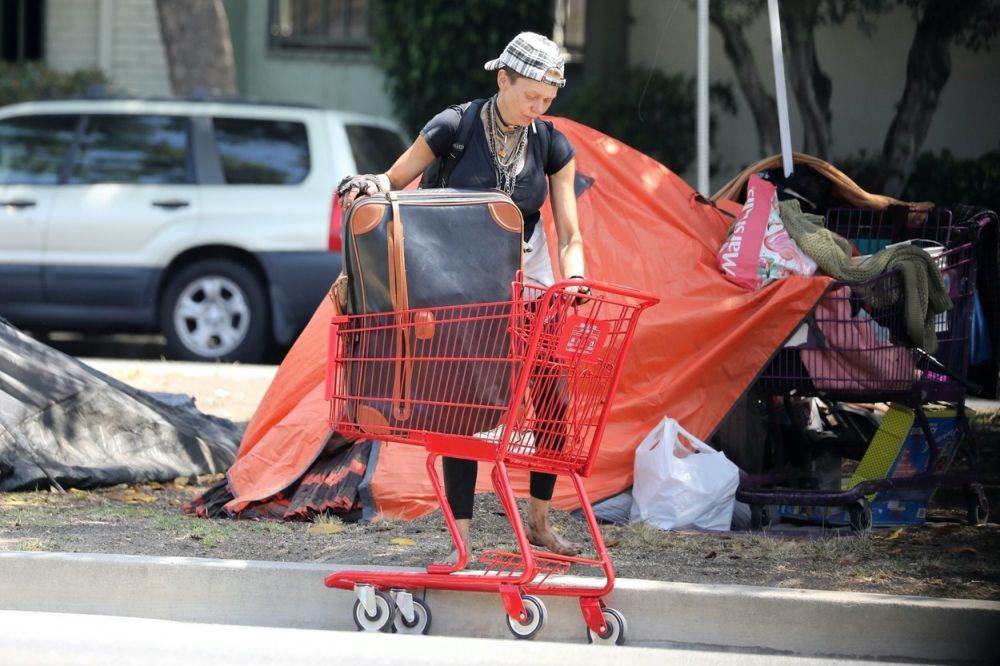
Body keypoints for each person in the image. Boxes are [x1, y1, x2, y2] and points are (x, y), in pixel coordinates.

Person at [336, 32, 587, 560]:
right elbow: (394, 179)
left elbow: (570, 233)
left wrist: (576, 278)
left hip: (528, 279)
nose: (539, 108)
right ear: (503, 80)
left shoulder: (551, 143)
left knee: (552, 399)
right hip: (458, 282)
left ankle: (539, 523)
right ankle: (463, 540)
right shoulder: (456, 125)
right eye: (530, 96)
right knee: (463, 402)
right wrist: (367, 185)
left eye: (548, 99)